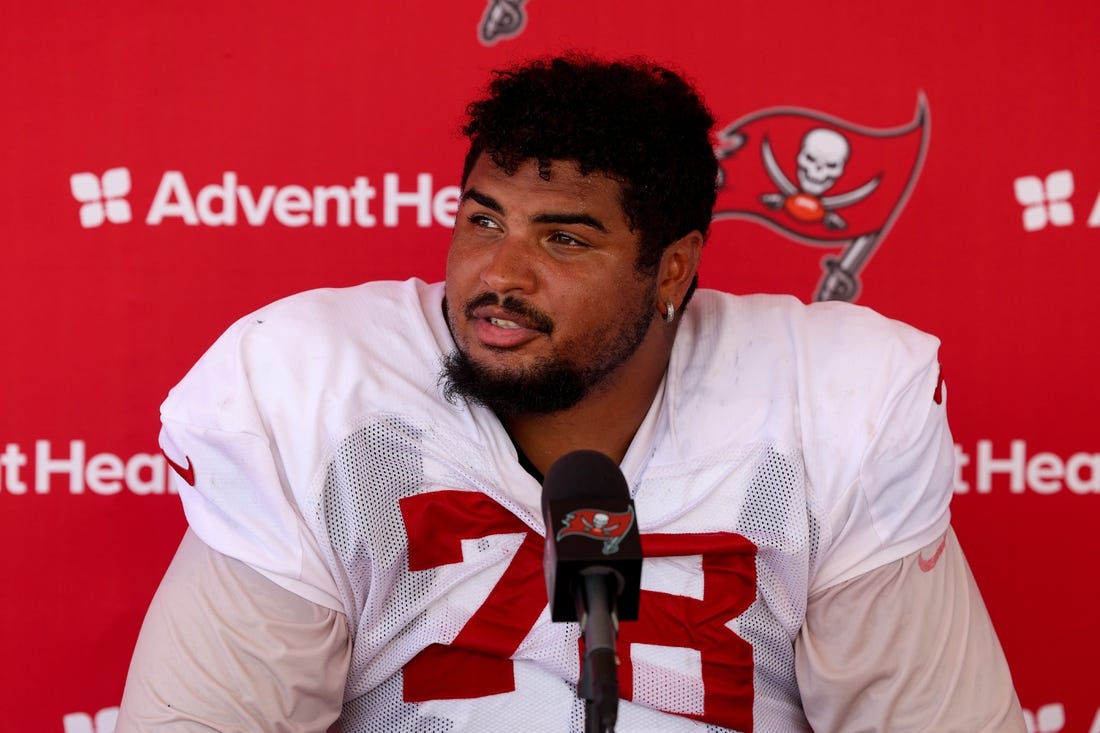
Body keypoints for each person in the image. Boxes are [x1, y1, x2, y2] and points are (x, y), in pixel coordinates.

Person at [118, 54, 1026, 732]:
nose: (498, 274)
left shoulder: (828, 406)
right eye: (483, 219)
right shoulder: (318, 392)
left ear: (671, 269)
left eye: (565, 239)